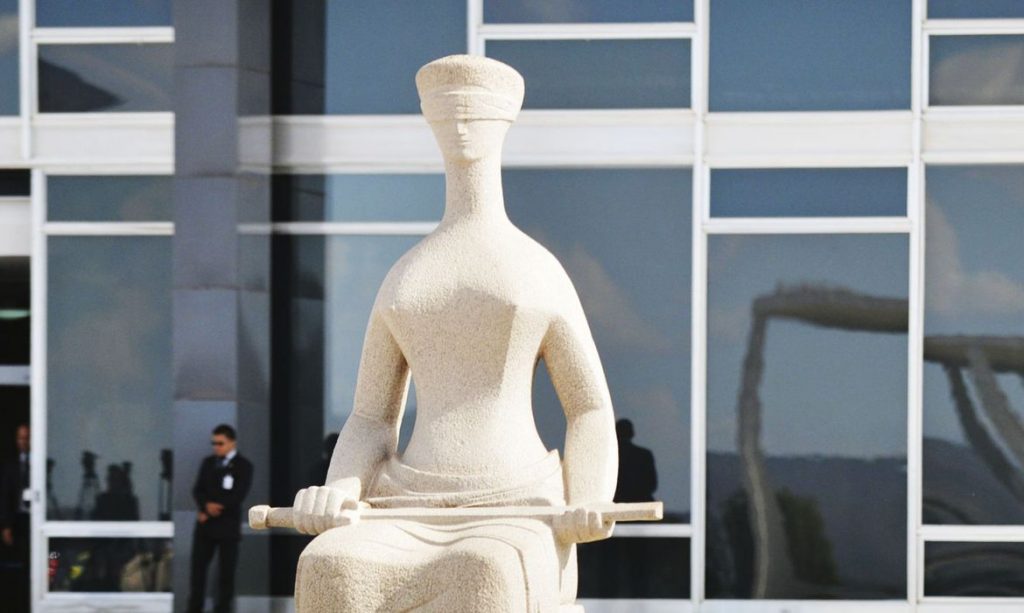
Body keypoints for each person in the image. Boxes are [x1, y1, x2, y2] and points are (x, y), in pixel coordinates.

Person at [289, 55, 619, 612]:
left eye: (474, 114)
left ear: (502, 122)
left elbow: (589, 407)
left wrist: (588, 497)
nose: (462, 126)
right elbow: (371, 417)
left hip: (517, 503)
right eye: (449, 115)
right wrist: (340, 488)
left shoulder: (535, 268)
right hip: (405, 501)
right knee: (328, 567)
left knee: (483, 574)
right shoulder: (407, 275)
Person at [187, 424, 253, 613]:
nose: (216, 447)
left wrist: (214, 508)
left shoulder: (243, 466)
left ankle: (223, 608)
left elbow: (238, 495)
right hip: (206, 527)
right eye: (214, 443)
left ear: (232, 442)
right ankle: (194, 608)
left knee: (226, 573)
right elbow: (198, 490)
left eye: (220, 443)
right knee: (198, 571)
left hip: (227, 527)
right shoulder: (208, 463)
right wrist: (205, 506)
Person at [0, 423, 30, 612]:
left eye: (27, 438)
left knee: (44, 560)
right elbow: (4, 496)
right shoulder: (10, 466)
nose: (24, 442)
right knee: (21, 563)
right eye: (20, 438)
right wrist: (5, 526)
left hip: (36, 520)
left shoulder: (41, 464)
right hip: (18, 521)